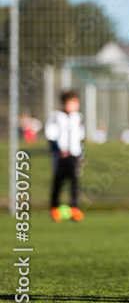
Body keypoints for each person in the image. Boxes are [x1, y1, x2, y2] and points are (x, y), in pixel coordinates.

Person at [46, 90, 85, 222]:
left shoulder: (78, 117)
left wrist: (82, 154)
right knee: (59, 180)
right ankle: (54, 208)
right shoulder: (56, 116)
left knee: (74, 181)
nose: (72, 106)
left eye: (75, 103)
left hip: (74, 154)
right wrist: (58, 149)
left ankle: (75, 208)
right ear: (63, 103)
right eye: (70, 103)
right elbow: (50, 135)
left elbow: (81, 138)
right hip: (60, 155)